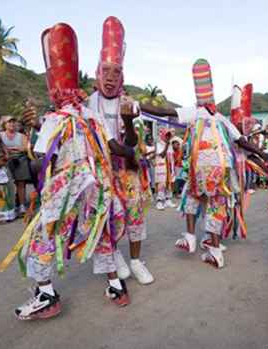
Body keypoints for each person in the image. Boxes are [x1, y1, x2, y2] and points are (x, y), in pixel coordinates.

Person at [1, 22, 133, 320]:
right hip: (97, 192)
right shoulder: (92, 116)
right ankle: (116, 286)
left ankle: (46, 295)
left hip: (64, 197)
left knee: (42, 238)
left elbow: (39, 161)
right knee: (100, 235)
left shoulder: (56, 118)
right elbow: (112, 147)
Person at [141, 58, 268, 268]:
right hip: (221, 170)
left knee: (191, 197)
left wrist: (138, 107)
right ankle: (215, 250)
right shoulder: (221, 117)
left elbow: (166, 112)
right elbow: (241, 140)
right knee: (215, 206)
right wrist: (263, 155)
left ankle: (191, 237)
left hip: (201, 170)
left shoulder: (195, 112)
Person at [87, 16, 154, 285]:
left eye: (116, 72)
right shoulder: (88, 104)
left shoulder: (131, 103)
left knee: (135, 214)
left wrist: (127, 122)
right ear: (97, 73)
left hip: (128, 172)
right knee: (108, 218)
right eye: (106, 71)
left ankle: (136, 260)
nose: (111, 78)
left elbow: (132, 144)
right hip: (101, 173)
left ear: (123, 76)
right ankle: (114, 255)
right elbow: (107, 144)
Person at [0, 115, 32, 215]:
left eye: (13, 122)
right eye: (9, 122)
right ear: (4, 124)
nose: (12, 124)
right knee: (7, 184)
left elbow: (27, 148)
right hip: (6, 161)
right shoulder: (0, 135)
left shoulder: (22, 136)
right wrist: (7, 151)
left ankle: (22, 205)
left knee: (20, 183)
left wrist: (19, 149)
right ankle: (9, 206)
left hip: (20, 159)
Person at [153, 128, 176, 210]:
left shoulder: (169, 144)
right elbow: (162, 155)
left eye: (169, 135)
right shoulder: (159, 144)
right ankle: (159, 201)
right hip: (161, 167)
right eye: (166, 135)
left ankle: (168, 200)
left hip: (170, 167)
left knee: (170, 183)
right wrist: (166, 144)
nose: (168, 136)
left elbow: (172, 156)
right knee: (161, 183)